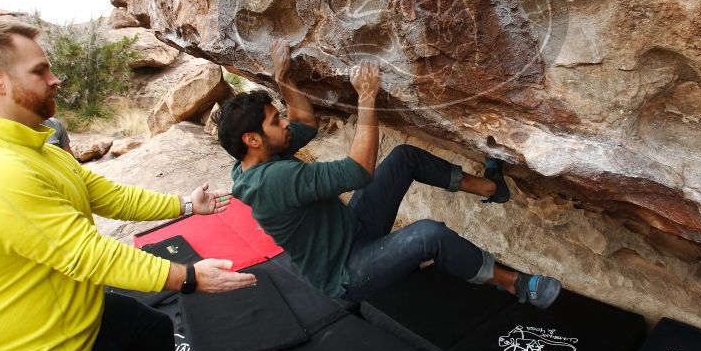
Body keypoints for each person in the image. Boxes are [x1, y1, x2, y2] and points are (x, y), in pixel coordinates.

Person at [0, 19, 257, 351]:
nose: (56, 79)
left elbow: (109, 196)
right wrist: (189, 277)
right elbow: (89, 254)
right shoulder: (4, 173)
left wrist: (185, 205)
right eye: (40, 71)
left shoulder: (37, 149)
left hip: (82, 315)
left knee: (152, 331)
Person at [215, 39, 562, 306]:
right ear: (252, 139)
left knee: (403, 158)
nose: (285, 122)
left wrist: (283, 77)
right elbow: (358, 171)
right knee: (429, 234)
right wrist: (367, 96)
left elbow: (305, 121)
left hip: (354, 229)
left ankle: (490, 188)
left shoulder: (256, 159)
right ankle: (515, 284)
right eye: (276, 121)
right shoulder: (273, 181)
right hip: (348, 272)